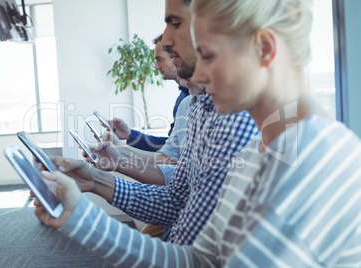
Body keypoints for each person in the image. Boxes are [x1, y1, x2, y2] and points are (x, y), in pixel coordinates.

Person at [34, 0, 361, 266]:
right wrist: (79, 214)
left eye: (208, 55)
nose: (198, 75)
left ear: (264, 48)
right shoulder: (259, 152)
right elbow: (201, 259)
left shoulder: (309, 160)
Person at [110, 34, 190, 153]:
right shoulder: (183, 98)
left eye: (160, 59)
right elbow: (171, 147)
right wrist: (129, 134)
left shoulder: (194, 98)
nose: (156, 66)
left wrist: (122, 154)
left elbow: (173, 153)